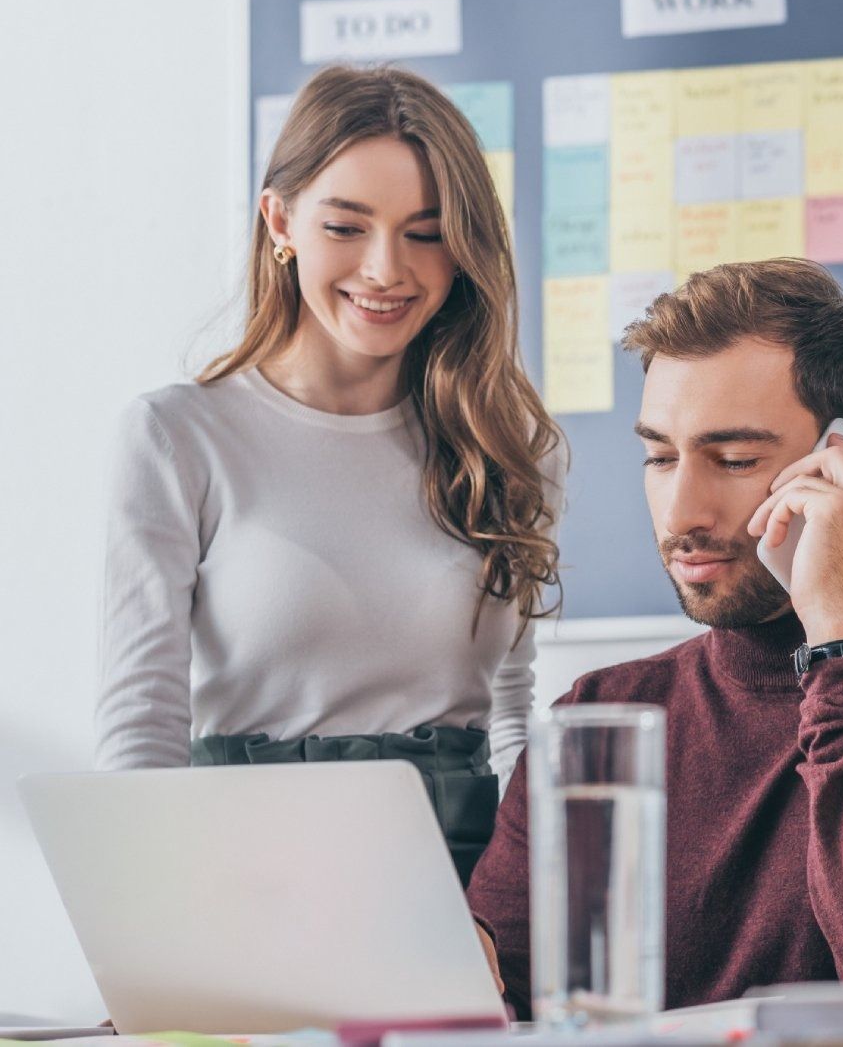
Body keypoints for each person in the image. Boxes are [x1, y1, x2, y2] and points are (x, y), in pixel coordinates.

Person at [466, 259, 843, 1015]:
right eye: (659, 456)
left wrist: (841, 638)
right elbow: (506, 1002)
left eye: (736, 460)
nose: (682, 509)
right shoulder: (601, 716)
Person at [96, 65, 563, 882]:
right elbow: (142, 728)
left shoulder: (510, 442)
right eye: (347, 227)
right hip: (241, 875)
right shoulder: (177, 436)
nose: (386, 269)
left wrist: (527, 914)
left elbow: (510, 711)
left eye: (426, 232)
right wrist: (149, 933)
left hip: (462, 886)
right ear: (280, 221)